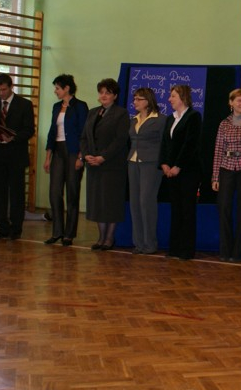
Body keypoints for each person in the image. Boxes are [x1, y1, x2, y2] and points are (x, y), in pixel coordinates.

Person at [0, 73, 35, 240]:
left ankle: (16, 228)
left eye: (4, 89)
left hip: (16, 154)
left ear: (11, 87)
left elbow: (29, 130)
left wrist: (13, 138)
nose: (1, 93)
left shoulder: (24, 104)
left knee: (17, 193)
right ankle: (2, 227)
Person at [80, 78, 129, 250]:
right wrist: (86, 155)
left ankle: (109, 238)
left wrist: (103, 157)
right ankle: (100, 238)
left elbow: (120, 140)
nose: (104, 95)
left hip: (112, 166)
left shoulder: (121, 113)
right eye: (101, 92)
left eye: (108, 93)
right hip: (93, 165)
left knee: (111, 203)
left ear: (115, 96)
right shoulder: (92, 112)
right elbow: (84, 137)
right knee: (97, 203)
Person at [211, 89, 241, 262]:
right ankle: (225, 250)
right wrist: (215, 177)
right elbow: (218, 150)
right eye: (238, 100)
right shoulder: (224, 124)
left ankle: (238, 252)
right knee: (223, 207)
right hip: (227, 166)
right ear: (231, 102)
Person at [43, 74, 89, 246]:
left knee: (72, 192)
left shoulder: (80, 106)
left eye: (57, 88)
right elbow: (51, 132)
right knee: (54, 192)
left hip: (73, 151)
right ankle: (57, 231)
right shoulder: (56, 107)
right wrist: (48, 157)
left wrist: (81, 156)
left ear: (67, 88)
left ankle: (69, 234)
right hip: (58, 151)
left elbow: (84, 133)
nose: (55, 91)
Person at [159, 84, 203, 259]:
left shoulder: (193, 116)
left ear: (183, 98)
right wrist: (164, 164)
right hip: (171, 172)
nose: (169, 99)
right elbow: (165, 143)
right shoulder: (170, 118)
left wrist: (178, 166)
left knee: (187, 210)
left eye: (173, 96)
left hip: (188, 172)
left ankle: (186, 250)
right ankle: (175, 248)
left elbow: (190, 144)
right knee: (176, 209)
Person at [128, 87, 167, 255]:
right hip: (133, 162)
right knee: (135, 203)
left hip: (151, 163)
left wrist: (164, 163)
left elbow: (165, 144)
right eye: (134, 98)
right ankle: (139, 243)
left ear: (148, 101)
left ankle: (150, 243)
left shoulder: (160, 119)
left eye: (139, 99)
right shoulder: (134, 120)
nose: (135, 102)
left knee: (146, 202)